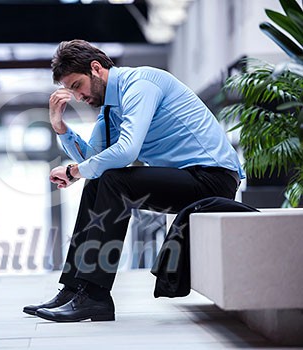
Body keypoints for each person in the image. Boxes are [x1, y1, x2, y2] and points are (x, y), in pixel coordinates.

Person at [23, 39, 243, 323]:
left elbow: (126, 150)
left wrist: (75, 172)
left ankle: (96, 295)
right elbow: (93, 159)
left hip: (212, 179)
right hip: (186, 180)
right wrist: (60, 128)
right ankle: (75, 288)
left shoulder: (141, 84)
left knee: (114, 181)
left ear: (96, 69)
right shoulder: (109, 109)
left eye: (77, 86)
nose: (78, 97)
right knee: (100, 182)